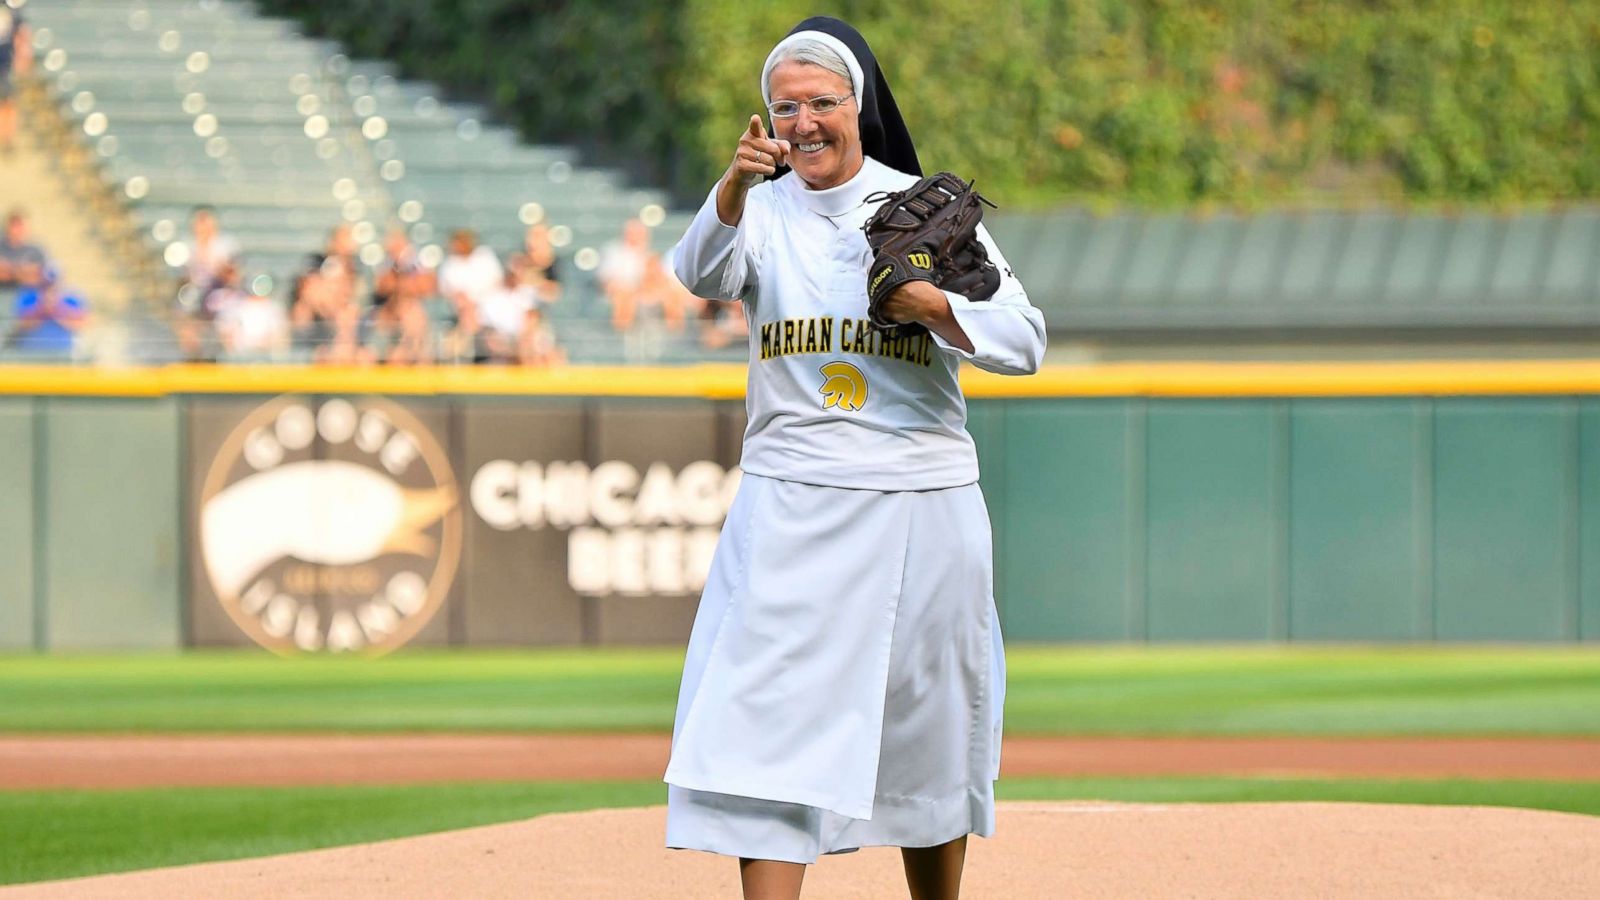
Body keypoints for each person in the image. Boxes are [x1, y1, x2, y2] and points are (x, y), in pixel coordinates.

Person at [664, 16, 1045, 900]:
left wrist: (933, 306)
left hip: (923, 502)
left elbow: (1025, 341)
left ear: (858, 106)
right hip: (794, 500)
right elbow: (700, 272)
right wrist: (728, 187)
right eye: (783, 106)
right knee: (764, 724)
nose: (802, 122)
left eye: (821, 103)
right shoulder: (756, 207)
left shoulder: (926, 209)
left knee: (930, 726)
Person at [6, 265, 87, 357]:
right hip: (31, 352)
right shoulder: (28, 296)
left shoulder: (72, 298)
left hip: (62, 352)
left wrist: (58, 311)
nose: (50, 287)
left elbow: (81, 325)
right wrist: (40, 309)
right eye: (47, 284)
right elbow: (19, 325)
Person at [0, 0, 30, 157]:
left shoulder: (12, 10)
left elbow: (21, 34)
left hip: (5, 63)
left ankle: (7, 137)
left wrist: (21, 58)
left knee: (8, 102)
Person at [0, 209, 46, 289]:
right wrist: (24, 272)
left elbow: (40, 276)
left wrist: (10, 270)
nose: (17, 230)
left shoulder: (36, 251)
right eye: (14, 225)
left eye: (20, 225)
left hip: (29, 294)